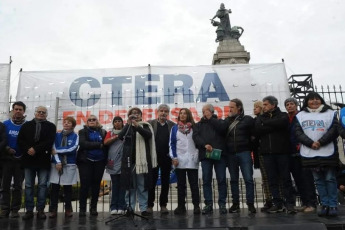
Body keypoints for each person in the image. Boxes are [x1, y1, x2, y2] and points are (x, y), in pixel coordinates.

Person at [295, 92, 339, 216]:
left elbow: (334, 130)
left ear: (321, 100)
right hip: (310, 152)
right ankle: (324, 204)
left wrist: (320, 142)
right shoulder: (301, 115)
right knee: (318, 180)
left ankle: (333, 204)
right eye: (311, 99)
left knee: (330, 178)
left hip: (327, 151)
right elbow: (298, 132)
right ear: (306, 101)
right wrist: (310, 143)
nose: (314, 101)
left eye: (317, 99)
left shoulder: (330, 113)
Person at [255, 96, 295, 213]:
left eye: (266, 104)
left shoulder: (283, 115)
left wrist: (266, 124)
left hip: (282, 152)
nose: (264, 106)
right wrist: (272, 125)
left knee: (285, 178)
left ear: (273, 105)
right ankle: (277, 203)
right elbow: (258, 129)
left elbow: (281, 123)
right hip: (267, 153)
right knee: (272, 179)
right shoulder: (260, 117)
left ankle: (289, 203)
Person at [17, 106, 56, 220]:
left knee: (43, 185)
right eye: (39, 112)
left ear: (46, 114)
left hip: (43, 160)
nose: (41, 113)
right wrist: (28, 148)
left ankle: (40, 210)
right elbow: (20, 140)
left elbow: (50, 141)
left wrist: (35, 149)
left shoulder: (51, 126)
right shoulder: (26, 125)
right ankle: (29, 210)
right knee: (28, 186)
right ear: (35, 113)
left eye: (43, 112)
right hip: (28, 160)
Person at [118, 108, 157, 216]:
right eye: (132, 114)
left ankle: (143, 208)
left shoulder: (145, 125)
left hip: (142, 162)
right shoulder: (127, 127)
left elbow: (148, 135)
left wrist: (137, 126)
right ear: (129, 116)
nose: (135, 115)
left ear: (141, 116)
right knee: (130, 186)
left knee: (142, 185)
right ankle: (129, 207)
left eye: (137, 113)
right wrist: (128, 124)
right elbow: (121, 136)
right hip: (129, 161)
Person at [193, 104, 227, 215]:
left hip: (219, 156)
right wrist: (204, 145)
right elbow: (196, 137)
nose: (204, 113)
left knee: (221, 179)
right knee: (206, 180)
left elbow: (222, 130)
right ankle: (208, 204)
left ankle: (222, 204)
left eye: (206, 111)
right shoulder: (198, 125)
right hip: (206, 155)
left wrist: (211, 119)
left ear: (212, 112)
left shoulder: (220, 122)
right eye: (203, 111)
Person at [285, 98, 317, 213]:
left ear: (296, 105)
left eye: (292, 104)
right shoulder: (286, 119)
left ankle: (312, 203)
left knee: (307, 179)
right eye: (287, 105)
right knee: (298, 180)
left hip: (303, 152)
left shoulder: (302, 116)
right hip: (291, 152)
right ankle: (305, 202)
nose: (289, 106)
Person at [225, 99, 256, 213]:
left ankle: (250, 204)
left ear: (239, 108)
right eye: (229, 107)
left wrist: (249, 146)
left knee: (248, 179)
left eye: (232, 107)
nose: (230, 109)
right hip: (231, 154)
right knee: (234, 180)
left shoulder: (247, 119)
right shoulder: (227, 121)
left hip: (244, 152)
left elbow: (254, 134)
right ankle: (235, 203)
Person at [170, 108, 200, 215]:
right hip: (180, 160)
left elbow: (198, 142)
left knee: (194, 184)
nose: (182, 115)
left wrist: (197, 155)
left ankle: (196, 206)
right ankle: (181, 206)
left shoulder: (195, 127)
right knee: (181, 185)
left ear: (188, 115)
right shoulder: (174, 128)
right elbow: (172, 144)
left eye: (185, 113)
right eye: (181, 113)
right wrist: (174, 158)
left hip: (192, 159)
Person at [147, 104, 175, 215]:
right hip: (153, 157)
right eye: (161, 111)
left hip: (166, 158)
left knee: (165, 182)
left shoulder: (172, 125)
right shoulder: (150, 124)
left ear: (168, 113)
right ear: (157, 112)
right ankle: (149, 205)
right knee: (151, 182)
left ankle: (163, 205)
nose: (163, 113)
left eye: (165, 111)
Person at [48, 117, 79, 218]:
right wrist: (57, 161)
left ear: (73, 125)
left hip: (69, 164)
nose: (66, 124)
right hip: (56, 164)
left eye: (69, 123)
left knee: (67, 188)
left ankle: (68, 209)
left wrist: (59, 151)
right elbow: (53, 148)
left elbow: (73, 148)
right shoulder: (56, 135)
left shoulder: (75, 136)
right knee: (54, 188)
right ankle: (53, 209)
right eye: (65, 122)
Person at [77, 115, 107, 217]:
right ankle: (82, 209)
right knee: (84, 186)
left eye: (94, 119)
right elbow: (83, 143)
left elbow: (106, 144)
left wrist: (100, 145)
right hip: (86, 161)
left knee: (96, 185)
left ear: (97, 121)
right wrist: (98, 145)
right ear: (87, 122)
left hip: (100, 161)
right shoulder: (82, 131)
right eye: (89, 120)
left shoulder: (103, 132)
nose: (91, 121)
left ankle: (93, 208)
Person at [0, 102, 26, 218]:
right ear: (12, 110)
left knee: (18, 186)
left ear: (24, 111)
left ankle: (15, 209)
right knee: (4, 185)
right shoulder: (4, 125)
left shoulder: (27, 125)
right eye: (16, 109)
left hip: (21, 160)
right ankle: (5, 209)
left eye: (20, 109)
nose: (18, 111)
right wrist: (6, 148)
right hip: (6, 160)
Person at [252, 101, 273, 212]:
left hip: (267, 151)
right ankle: (269, 199)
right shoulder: (255, 121)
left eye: (256, 107)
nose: (254, 109)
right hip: (259, 151)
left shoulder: (265, 119)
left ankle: (274, 199)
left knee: (271, 176)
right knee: (265, 177)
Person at [104, 116, 126, 215]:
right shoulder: (110, 133)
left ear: (122, 123)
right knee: (115, 185)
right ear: (113, 123)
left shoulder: (126, 132)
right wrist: (117, 136)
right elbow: (106, 142)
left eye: (119, 121)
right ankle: (113, 206)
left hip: (124, 161)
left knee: (122, 186)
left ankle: (121, 206)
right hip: (112, 161)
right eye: (115, 121)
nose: (117, 123)